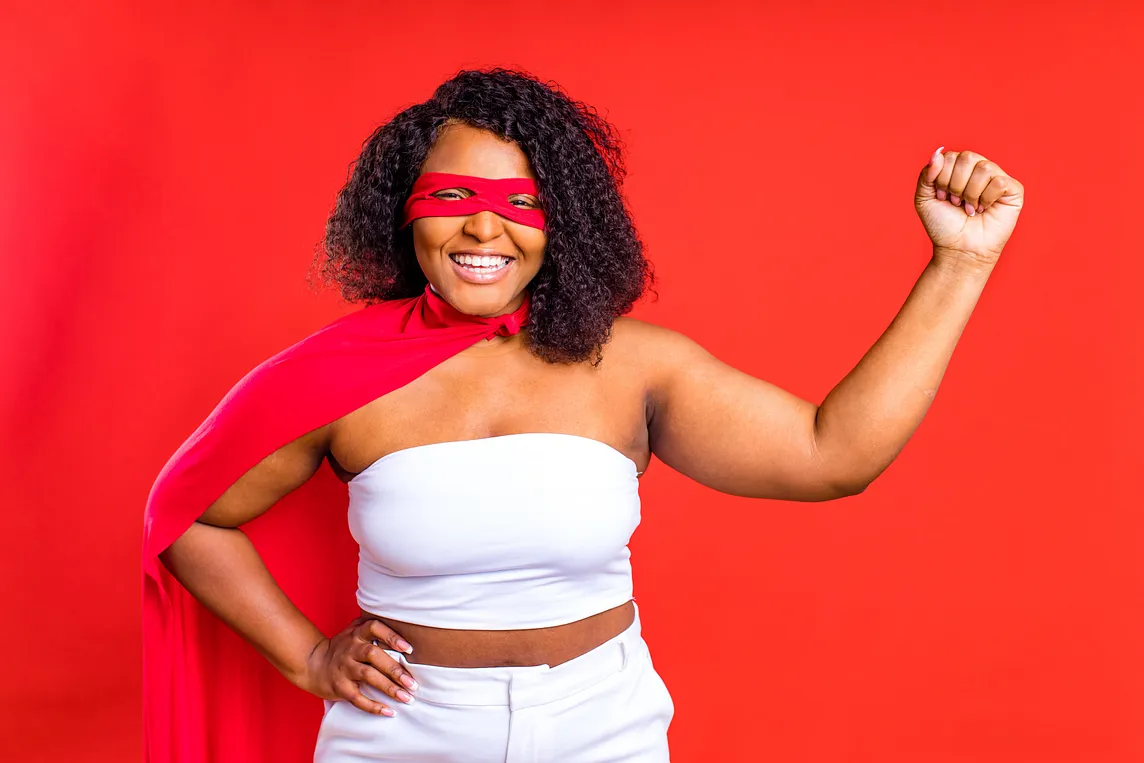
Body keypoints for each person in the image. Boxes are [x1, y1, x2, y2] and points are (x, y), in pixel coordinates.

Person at [143, 67, 1024, 763]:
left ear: (560, 224)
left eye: (521, 204)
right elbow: (188, 516)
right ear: (402, 212)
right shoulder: (334, 377)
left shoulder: (634, 363)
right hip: (403, 735)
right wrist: (307, 658)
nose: (486, 231)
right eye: (454, 198)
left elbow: (833, 454)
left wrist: (960, 265)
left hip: (602, 726)